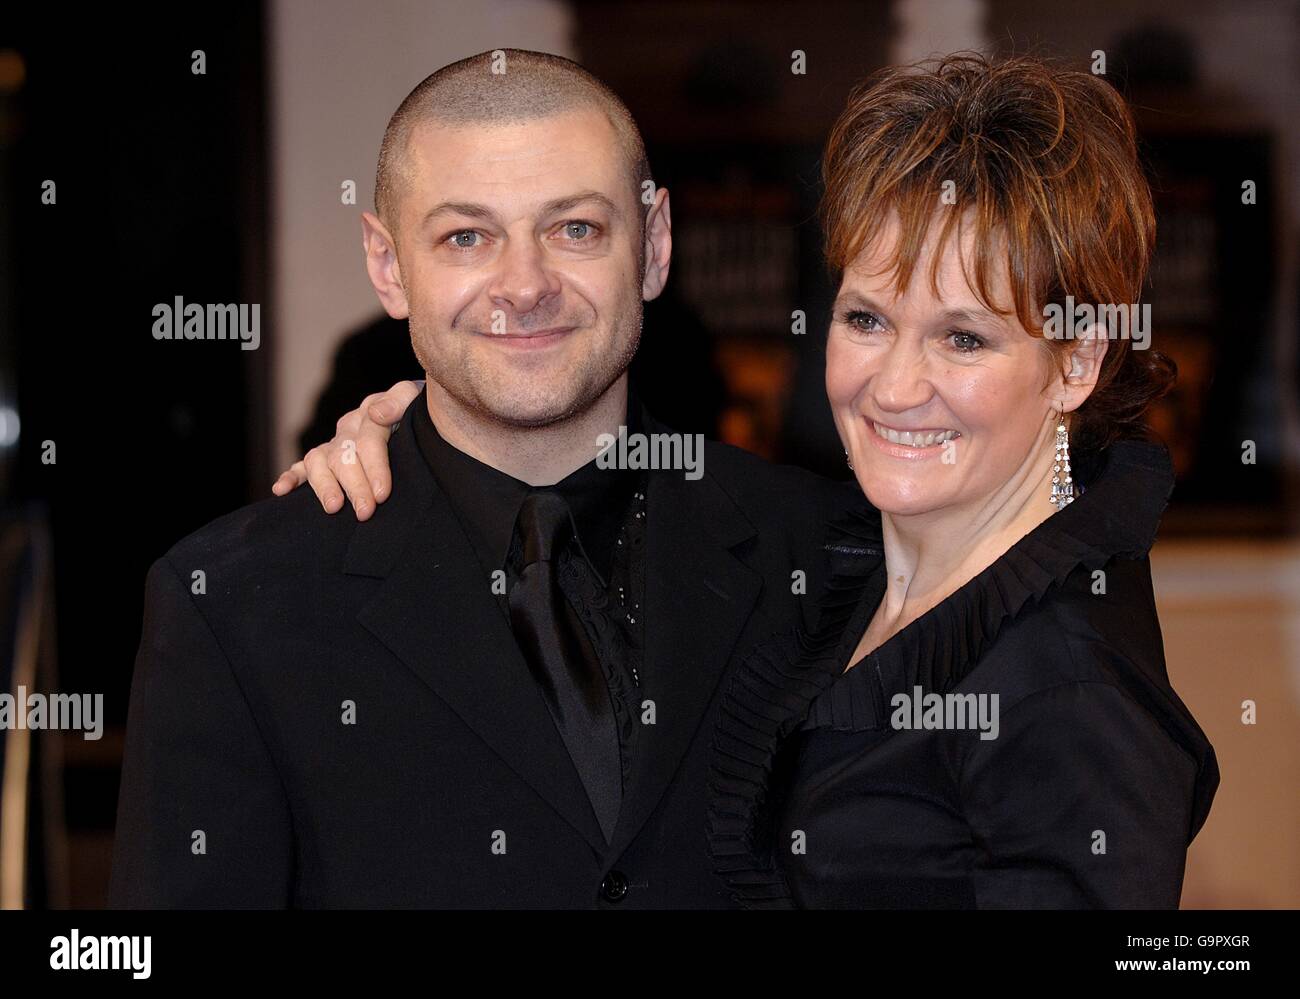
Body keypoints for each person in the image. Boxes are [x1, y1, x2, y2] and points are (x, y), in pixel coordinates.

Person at [294, 55, 1219, 909]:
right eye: (867, 319)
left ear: (1076, 360)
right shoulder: (843, 562)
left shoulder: (1072, 687)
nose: (894, 386)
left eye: (963, 337)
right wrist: (425, 435)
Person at [109, 49, 853, 908]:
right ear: (389, 266)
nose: (524, 285)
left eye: (575, 228)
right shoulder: (235, 605)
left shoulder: (825, 555)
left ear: (653, 246)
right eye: (467, 236)